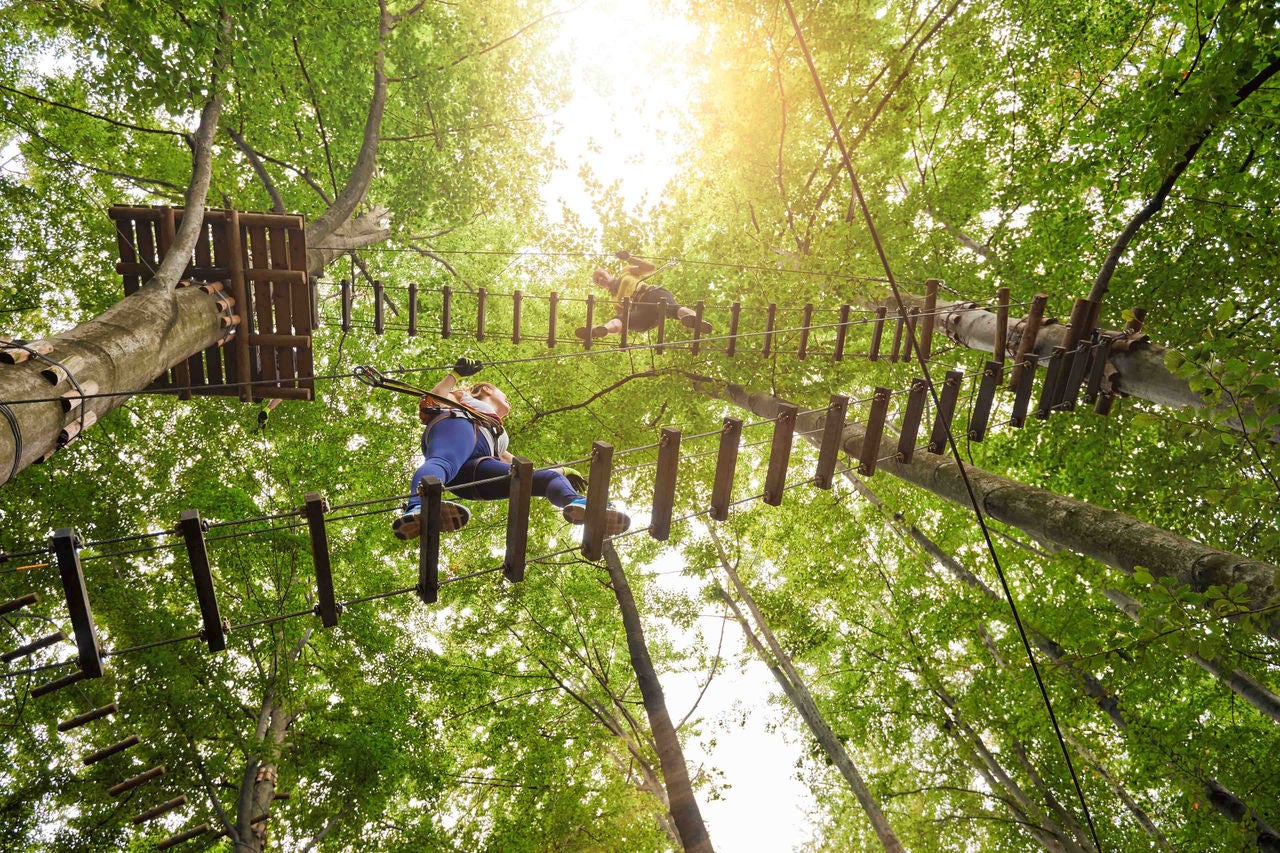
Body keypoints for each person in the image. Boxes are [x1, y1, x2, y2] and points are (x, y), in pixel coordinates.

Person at [392, 358, 631, 541]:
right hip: (458, 426)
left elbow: (517, 466)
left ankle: (582, 505)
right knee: (444, 461)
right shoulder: (463, 397)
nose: (509, 402)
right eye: (503, 394)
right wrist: (455, 374)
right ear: (486, 389)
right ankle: (418, 506)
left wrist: (562, 471)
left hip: (477, 469)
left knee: (541, 479)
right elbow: (433, 400)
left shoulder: (500, 436)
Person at [576, 250, 713, 341]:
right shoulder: (613, 301)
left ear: (608, 273)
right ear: (600, 286)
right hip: (642, 314)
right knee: (620, 319)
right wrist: (627, 308)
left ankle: (697, 321)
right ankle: (600, 330)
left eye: (601, 275)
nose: (600, 279)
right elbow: (624, 321)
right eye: (597, 281)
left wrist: (629, 258)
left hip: (651, 294)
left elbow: (650, 268)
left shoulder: (626, 272)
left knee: (672, 309)